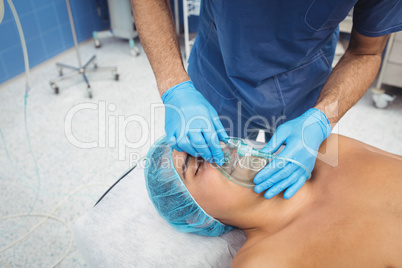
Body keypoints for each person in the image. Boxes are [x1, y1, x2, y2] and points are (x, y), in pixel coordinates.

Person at [132, 0, 402, 199]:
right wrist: (174, 85)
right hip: (218, 69)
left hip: (303, 81)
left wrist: (321, 118)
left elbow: (366, 53)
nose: (237, 155)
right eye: (199, 166)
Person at [144, 134, 402, 267]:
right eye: (197, 165)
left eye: (213, 140)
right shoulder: (262, 263)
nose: (220, 152)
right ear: (197, 217)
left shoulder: (328, 148)